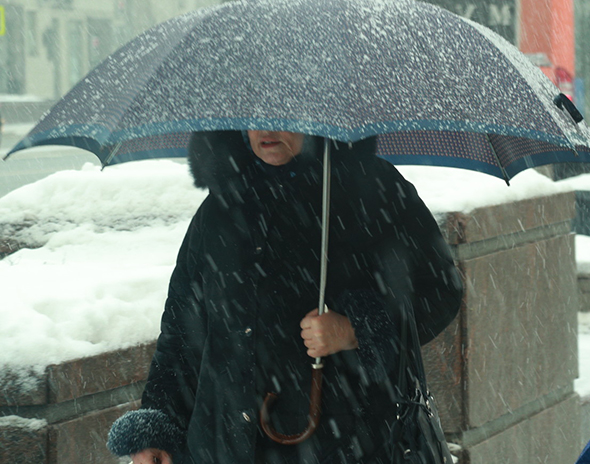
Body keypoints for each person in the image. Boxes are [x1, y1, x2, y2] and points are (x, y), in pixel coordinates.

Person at [106, 130, 464, 463]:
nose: (266, 130)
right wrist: (158, 429)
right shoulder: (218, 211)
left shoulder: (371, 190)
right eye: (254, 117)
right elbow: (181, 333)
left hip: (346, 445)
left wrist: (355, 329)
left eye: (281, 118)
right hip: (224, 447)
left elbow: (441, 290)